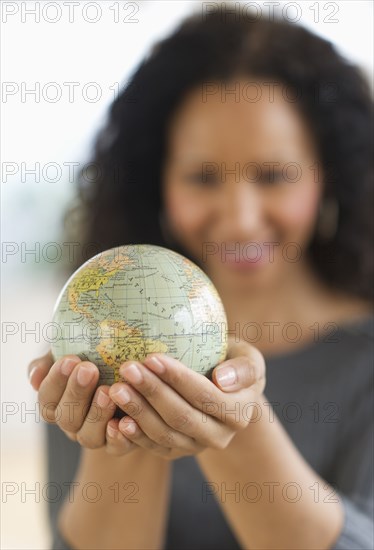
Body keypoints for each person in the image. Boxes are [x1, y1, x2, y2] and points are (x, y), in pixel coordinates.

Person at [28, 5, 373, 549]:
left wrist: (240, 428)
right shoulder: (98, 343)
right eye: (203, 176)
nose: (239, 217)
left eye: (274, 175)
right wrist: (124, 440)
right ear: (156, 182)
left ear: (330, 176)